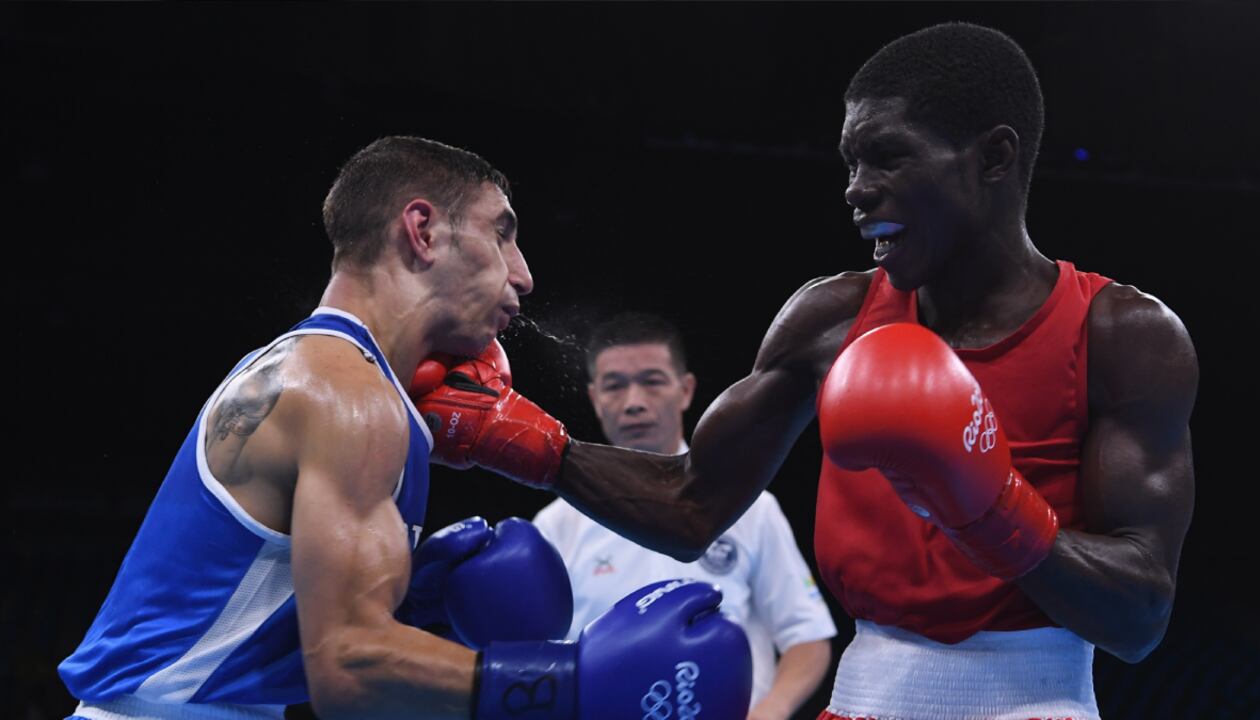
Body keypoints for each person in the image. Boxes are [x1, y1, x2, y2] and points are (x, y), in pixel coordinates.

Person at [414, 23, 1197, 720]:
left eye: (888, 157)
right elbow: (691, 505)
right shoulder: (830, 320)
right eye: (851, 163)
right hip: (861, 700)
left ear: (994, 156)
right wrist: (516, 439)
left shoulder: (1125, 336)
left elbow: (1140, 620)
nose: (857, 191)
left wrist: (990, 507)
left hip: (1040, 700)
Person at [57, 136, 753, 720]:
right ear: (422, 231)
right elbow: (346, 668)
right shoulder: (346, 395)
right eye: (502, 232)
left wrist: (419, 600)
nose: (525, 274)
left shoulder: (316, 368)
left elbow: (275, 623)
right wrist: (569, 682)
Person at [532, 313, 836, 719]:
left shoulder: (750, 507)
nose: (634, 401)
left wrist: (769, 713)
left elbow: (808, 637)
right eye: (615, 386)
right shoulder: (557, 524)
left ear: (686, 389)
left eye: (652, 381)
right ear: (594, 398)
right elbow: (535, 656)